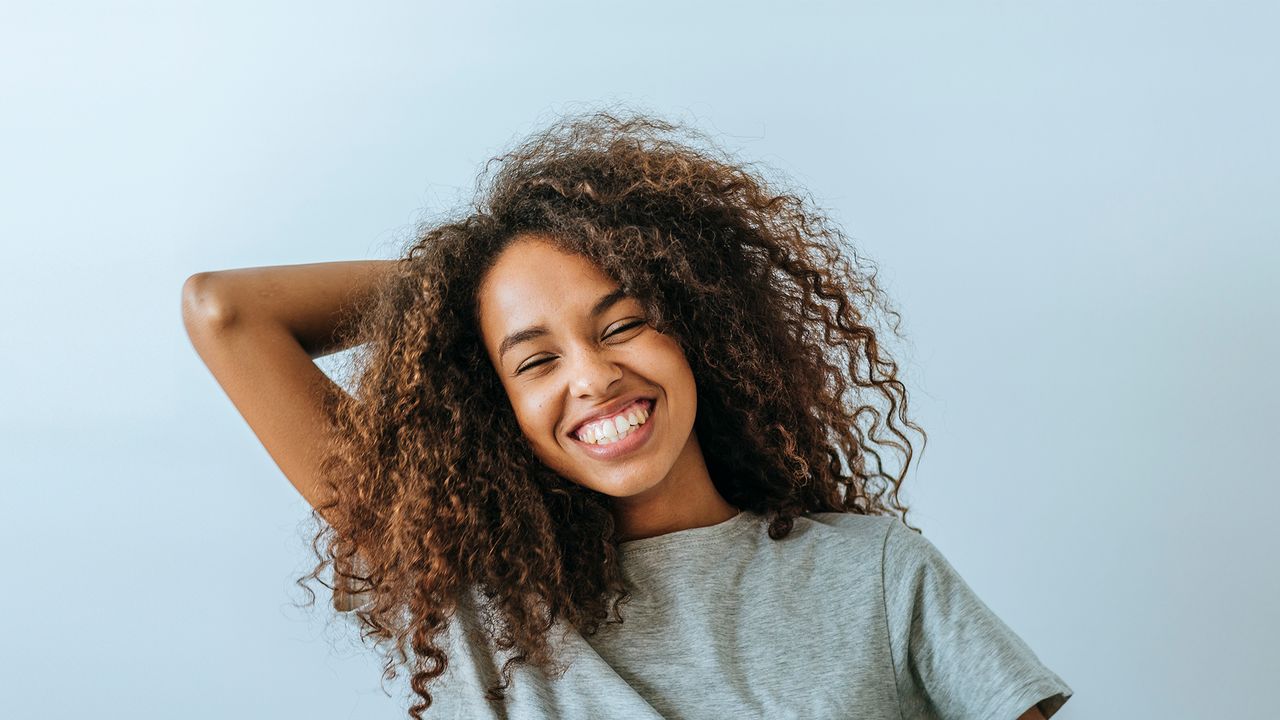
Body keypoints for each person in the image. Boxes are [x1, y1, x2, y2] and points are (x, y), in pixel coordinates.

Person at [181, 110, 1073, 719]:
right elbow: (227, 313)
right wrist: (466, 288)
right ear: (495, 405)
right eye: (534, 360)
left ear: (701, 326)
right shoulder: (482, 604)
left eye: (624, 323)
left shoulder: (878, 575)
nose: (594, 377)